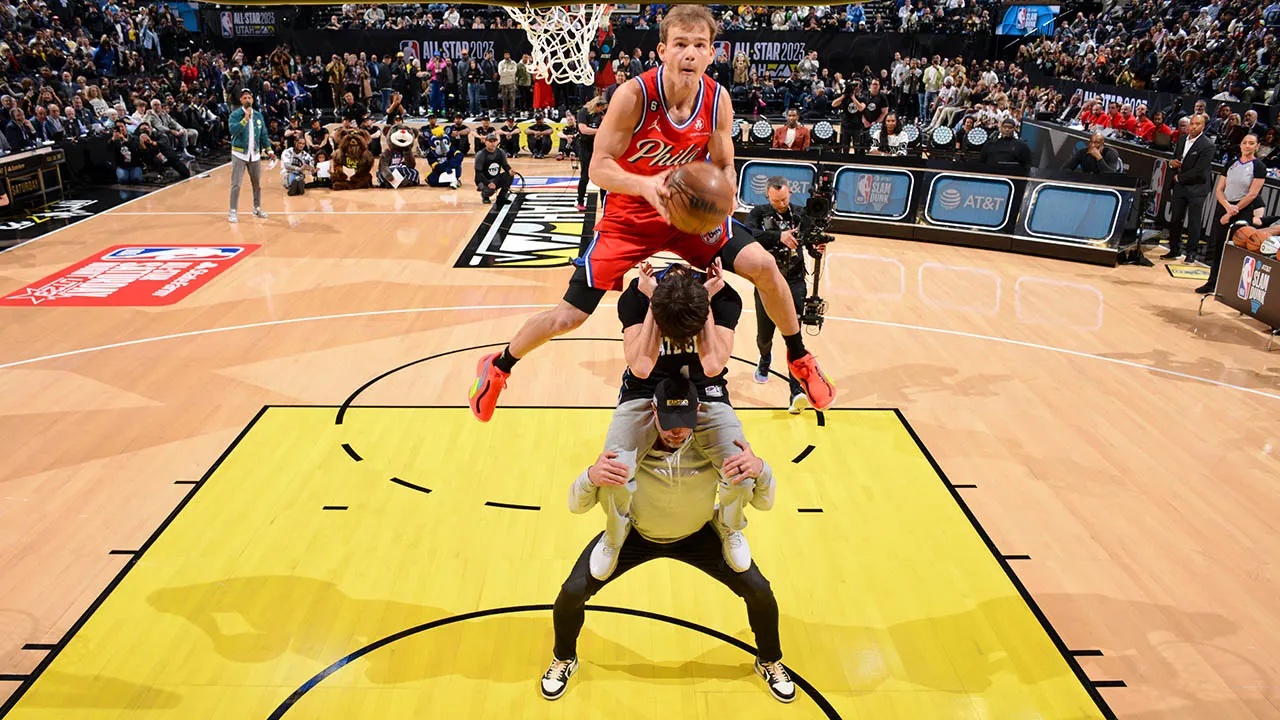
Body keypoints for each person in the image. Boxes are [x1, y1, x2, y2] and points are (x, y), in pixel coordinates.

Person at [469, 5, 835, 423]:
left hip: (689, 217)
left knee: (765, 266)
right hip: (631, 217)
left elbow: (724, 162)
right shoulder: (633, 96)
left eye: (699, 45)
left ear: (712, 53)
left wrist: (726, 190)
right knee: (569, 315)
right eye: (680, 44)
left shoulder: (717, 100)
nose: (690, 54)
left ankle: (798, 357)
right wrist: (646, 185)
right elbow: (599, 166)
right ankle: (498, 367)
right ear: (662, 49)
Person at [540, 374, 793, 705]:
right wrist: (590, 476)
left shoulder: (713, 447)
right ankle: (563, 658)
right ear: (653, 411)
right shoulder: (628, 449)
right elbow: (576, 505)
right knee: (571, 593)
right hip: (637, 534)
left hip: (698, 535)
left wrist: (761, 469)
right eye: (670, 422)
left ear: (698, 412)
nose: (677, 432)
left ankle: (770, 660)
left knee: (760, 592)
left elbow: (764, 502)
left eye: (685, 422)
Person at [745, 177, 826, 413]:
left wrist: (816, 248)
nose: (781, 203)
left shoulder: (801, 214)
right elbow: (749, 234)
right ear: (767, 197)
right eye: (776, 200)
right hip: (767, 279)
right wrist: (778, 237)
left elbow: (810, 241)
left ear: (790, 193)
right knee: (764, 334)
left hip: (794, 280)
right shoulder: (758, 213)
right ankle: (764, 356)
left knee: (794, 336)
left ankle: (796, 392)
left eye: (784, 198)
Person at [1198, 133, 1267, 294]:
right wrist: (1227, 207)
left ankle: (1234, 287)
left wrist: (1233, 210)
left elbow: (1252, 194)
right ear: (1241, 145)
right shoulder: (1231, 164)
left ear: (1257, 146)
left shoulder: (1258, 166)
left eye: (1251, 143)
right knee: (1218, 246)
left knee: (1237, 248)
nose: (1247, 146)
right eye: (1245, 142)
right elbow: (1219, 189)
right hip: (1225, 206)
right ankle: (1212, 282)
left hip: (1243, 210)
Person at [1164, 113, 1215, 263]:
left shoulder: (1208, 145)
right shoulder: (1181, 140)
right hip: (1180, 186)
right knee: (1175, 219)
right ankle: (1174, 249)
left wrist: (1180, 177)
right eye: (1192, 123)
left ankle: (1191, 253)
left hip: (1197, 188)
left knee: (1193, 222)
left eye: (1197, 124)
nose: (1193, 127)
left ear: (1203, 126)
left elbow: (1199, 170)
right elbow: (1175, 159)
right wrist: (1171, 163)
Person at [228, 89, 273, 224]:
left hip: (255, 155)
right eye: (245, 98)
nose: (247, 100)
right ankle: (233, 211)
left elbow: (264, 135)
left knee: (257, 184)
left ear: (252, 100)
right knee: (236, 184)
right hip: (239, 154)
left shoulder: (259, 116)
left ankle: (257, 207)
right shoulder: (235, 115)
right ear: (241, 100)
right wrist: (245, 119)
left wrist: (269, 150)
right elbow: (233, 130)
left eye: (249, 97)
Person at [575, 96, 607, 213]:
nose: (601, 110)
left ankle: (604, 202)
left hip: (599, 146)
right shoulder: (583, 112)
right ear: (596, 106)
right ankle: (580, 201)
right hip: (585, 146)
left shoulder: (602, 114)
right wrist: (599, 131)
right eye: (601, 108)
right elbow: (583, 129)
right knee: (585, 175)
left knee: (603, 175)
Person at [474, 134, 512, 204]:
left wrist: (509, 170)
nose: (492, 143)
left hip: (496, 178)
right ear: (485, 142)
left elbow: (505, 165)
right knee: (490, 190)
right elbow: (478, 173)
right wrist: (488, 183)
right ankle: (485, 195)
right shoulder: (480, 155)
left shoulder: (501, 152)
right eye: (490, 141)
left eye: (494, 141)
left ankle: (501, 198)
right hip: (484, 179)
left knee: (509, 176)